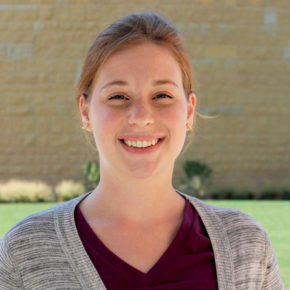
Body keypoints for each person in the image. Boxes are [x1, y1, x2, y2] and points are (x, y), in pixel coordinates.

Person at [0, 12, 284, 290]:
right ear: (85, 112)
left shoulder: (246, 245)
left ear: (190, 110)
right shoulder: (25, 251)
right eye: (118, 97)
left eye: (162, 95)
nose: (141, 116)